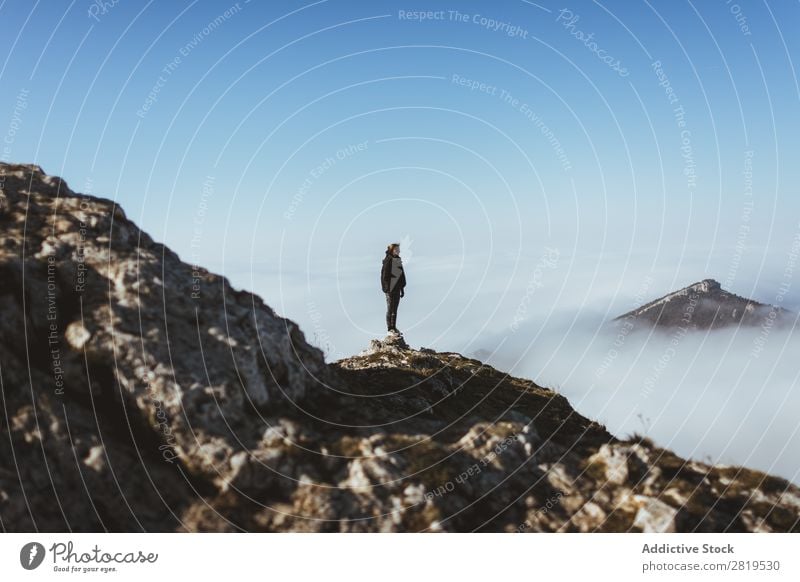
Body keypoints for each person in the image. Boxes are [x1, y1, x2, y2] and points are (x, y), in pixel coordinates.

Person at [381, 242, 406, 334]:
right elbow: (384, 276)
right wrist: (387, 290)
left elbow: (400, 275)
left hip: (397, 288)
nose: (398, 251)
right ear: (392, 250)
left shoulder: (397, 260)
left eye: (399, 249)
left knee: (395, 309)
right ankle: (389, 328)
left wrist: (402, 288)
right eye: (396, 249)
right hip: (390, 289)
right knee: (390, 308)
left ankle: (394, 327)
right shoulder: (388, 260)